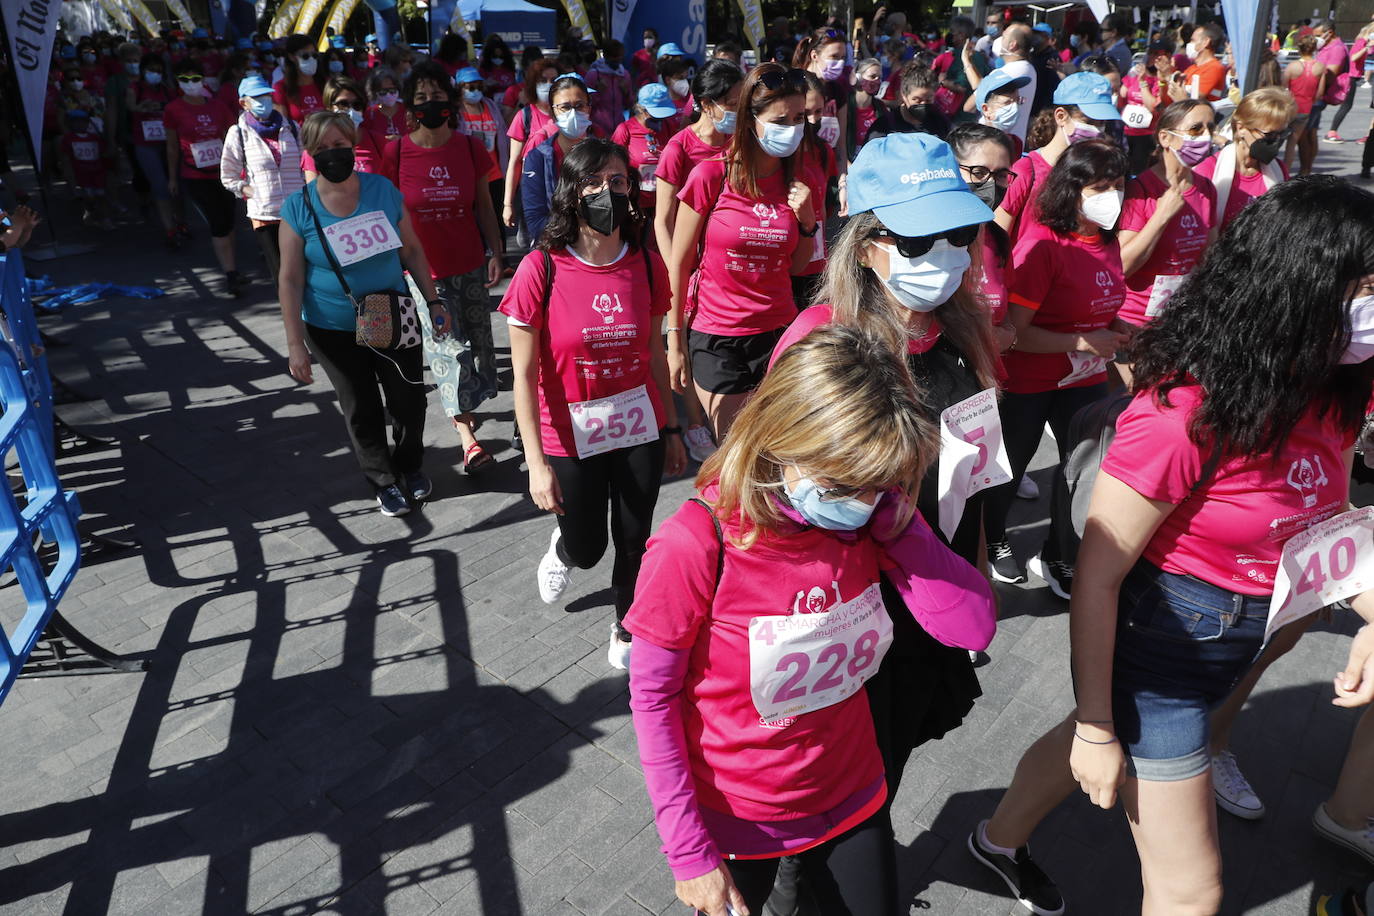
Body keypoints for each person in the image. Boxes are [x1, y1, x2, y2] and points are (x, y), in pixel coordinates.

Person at [969, 175, 1374, 916]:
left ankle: (996, 840)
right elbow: (1097, 575)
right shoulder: (1182, 412)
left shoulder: (1338, 385)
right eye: (1366, 287)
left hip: (1250, 633)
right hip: (1167, 651)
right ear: (1302, 287)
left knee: (1090, 745)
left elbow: (1333, 516)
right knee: (1192, 891)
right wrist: (1096, 721)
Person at [626, 323, 940, 916]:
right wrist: (689, 854)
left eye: (880, 486)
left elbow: (971, 622)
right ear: (783, 439)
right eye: (847, 483)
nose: (864, 502)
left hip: (851, 790)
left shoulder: (868, 519)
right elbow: (651, 697)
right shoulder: (695, 543)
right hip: (741, 818)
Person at [768, 132, 999, 808]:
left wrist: (973, 576)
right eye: (919, 241)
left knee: (883, 770)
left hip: (928, 599)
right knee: (823, 787)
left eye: (958, 233)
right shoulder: (819, 342)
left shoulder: (967, 336)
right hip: (844, 612)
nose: (947, 256)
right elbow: (771, 497)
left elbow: (974, 484)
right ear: (865, 246)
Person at [501, 138, 686, 668]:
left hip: (637, 427)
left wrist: (670, 428)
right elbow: (521, 376)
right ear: (572, 191)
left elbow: (654, 355)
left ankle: (625, 627)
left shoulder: (646, 266)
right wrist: (536, 464)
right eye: (595, 181)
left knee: (634, 539)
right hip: (570, 434)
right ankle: (564, 548)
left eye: (620, 180)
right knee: (589, 548)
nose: (608, 190)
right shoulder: (543, 268)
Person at [277, 111, 446, 518]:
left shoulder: (382, 191)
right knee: (360, 406)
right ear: (309, 154)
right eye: (323, 149)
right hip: (332, 327)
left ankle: (410, 465)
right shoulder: (298, 207)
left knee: (408, 399)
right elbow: (289, 280)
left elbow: (412, 250)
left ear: (353, 145)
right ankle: (382, 480)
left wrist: (434, 300)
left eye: (340, 146)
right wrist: (295, 345)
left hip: (394, 315)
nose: (333, 155)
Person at [983, 138, 1129, 591]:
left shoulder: (1106, 241)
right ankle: (993, 540)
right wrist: (1084, 341)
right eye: (1101, 186)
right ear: (1072, 188)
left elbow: (1100, 307)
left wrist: (1126, 332)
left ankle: (1059, 555)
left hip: (1082, 380)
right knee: (1010, 468)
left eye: (1119, 185)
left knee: (1082, 471)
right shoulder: (1042, 246)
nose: (1113, 195)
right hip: (1030, 379)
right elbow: (1015, 333)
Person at [666, 63, 815, 439]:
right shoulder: (709, 176)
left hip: (779, 332)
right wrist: (674, 342)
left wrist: (808, 222)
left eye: (799, 117)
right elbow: (679, 264)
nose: (792, 129)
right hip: (717, 338)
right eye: (780, 120)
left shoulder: (801, 184)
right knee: (736, 453)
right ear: (750, 121)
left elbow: (797, 268)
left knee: (778, 453)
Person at [383, 61, 505, 473]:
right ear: (409, 105)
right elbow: (386, 214)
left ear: (450, 101)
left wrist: (496, 252)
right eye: (421, 98)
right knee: (448, 350)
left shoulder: (470, 148)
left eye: (437, 96)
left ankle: (468, 409)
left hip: (469, 263)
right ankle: (468, 440)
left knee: (478, 348)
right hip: (423, 275)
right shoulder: (396, 152)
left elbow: (484, 205)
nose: (430, 104)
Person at [653, 58, 744, 464]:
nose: (737, 111)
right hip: (681, 263)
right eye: (730, 102)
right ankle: (691, 422)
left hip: (724, 269)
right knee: (681, 342)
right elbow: (662, 218)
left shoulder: (741, 142)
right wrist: (678, 270)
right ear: (705, 103)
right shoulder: (679, 148)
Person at [1115, 100, 1217, 357]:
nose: (1205, 136)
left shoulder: (1206, 189)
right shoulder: (1141, 190)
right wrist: (1161, 216)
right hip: (1134, 327)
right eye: (1195, 129)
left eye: (1210, 128)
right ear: (1165, 138)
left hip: (1179, 324)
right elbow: (1122, 266)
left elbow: (1209, 259)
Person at [998, 71, 1123, 239]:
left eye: (1102, 123)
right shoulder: (1025, 171)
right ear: (1061, 116)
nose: (1097, 130)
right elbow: (998, 239)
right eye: (1089, 122)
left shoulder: (1097, 174)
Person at [163, 59, 242, 297]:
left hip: (223, 173)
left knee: (228, 220)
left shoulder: (217, 107)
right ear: (178, 82)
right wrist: (172, 178)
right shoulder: (173, 109)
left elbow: (232, 138)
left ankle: (233, 269)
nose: (191, 84)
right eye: (185, 80)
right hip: (194, 175)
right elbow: (172, 147)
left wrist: (240, 169)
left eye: (195, 79)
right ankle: (229, 274)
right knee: (217, 221)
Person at [220, 73, 304, 285]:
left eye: (267, 96)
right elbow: (228, 176)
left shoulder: (292, 128)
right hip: (265, 214)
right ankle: (291, 316)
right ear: (244, 102)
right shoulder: (238, 133)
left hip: (298, 211)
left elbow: (306, 164)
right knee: (282, 275)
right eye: (257, 98)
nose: (264, 101)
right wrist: (250, 192)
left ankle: (309, 316)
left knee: (305, 269)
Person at [947, 123, 1017, 351]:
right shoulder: (927, 239)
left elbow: (1005, 315)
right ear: (952, 169)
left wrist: (1008, 336)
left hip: (990, 377)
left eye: (1001, 175)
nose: (990, 184)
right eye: (979, 172)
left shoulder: (997, 240)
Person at [1194, 87, 1295, 229]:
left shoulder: (1278, 169)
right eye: (1269, 134)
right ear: (1241, 128)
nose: (1276, 140)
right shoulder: (1209, 170)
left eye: (1282, 134)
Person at [521, 74, 604, 244]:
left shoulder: (606, 154)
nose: (573, 113)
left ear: (589, 108)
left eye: (579, 105)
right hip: (557, 249)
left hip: (601, 248)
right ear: (553, 111)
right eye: (565, 107)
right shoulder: (538, 158)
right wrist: (580, 235)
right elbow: (535, 222)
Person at [129, 53, 185, 248]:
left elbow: (177, 109)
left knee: (176, 184)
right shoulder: (135, 88)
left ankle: (180, 222)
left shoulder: (167, 90)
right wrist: (141, 107)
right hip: (145, 144)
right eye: (152, 70)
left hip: (168, 142)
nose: (155, 74)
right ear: (144, 71)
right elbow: (130, 107)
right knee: (160, 186)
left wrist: (163, 107)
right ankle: (169, 229)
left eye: (159, 71)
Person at [501, 57, 559, 230]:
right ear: (533, 84)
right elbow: (514, 162)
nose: (549, 85)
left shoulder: (570, 117)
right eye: (543, 81)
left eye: (554, 81)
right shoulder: (525, 116)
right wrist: (508, 205)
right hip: (533, 195)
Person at [612, 84, 678, 230]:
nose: (661, 119)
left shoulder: (668, 126)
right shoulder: (625, 130)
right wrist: (626, 201)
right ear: (642, 109)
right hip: (636, 202)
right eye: (656, 114)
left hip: (663, 201)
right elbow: (614, 167)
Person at [795, 27, 853, 186]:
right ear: (815, 55)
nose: (839, 63)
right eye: (834, 56)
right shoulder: (794, 86)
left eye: (843, 58)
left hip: (828, 173)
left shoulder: (838, 91)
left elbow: (841, 145)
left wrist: (843, 184)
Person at [453, 65, 509, 226]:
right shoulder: (455, 110)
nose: (475, 90)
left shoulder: (490, 105)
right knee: (473, 220)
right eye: (470, 87)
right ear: (460, 88)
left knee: (496, 219)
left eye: (479, 86)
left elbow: (503, 133)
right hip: (467, 174)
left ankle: (499, 250)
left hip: (494, 173)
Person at [1121, 44, 1172, 175]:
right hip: (1126, 132)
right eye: (1150, 53)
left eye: (1157, 54)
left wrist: (1143, 82)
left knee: (1138, 172)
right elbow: (1122, 97)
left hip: (1145, 135)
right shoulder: (1133, 76)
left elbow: (1153, 107)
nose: (1152, 57)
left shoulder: (1160, 82)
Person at [866, 63, 951, 141]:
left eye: (928, 100)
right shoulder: (885, 126)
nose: (923, 104)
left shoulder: (940, 123)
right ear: (904, 95)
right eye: (917, 100)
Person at [58, 109, 113, 229]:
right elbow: (66, 159)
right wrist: (69, 176)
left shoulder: (95, 138)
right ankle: (89, 212)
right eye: (76, 122)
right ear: (70, 124)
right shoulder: (68, 139)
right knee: (89, 196)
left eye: (83, 121)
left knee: (101, 195)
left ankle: (106, 219)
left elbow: (103, 154)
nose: (80, 124)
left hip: (97, 172)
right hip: (82, 174)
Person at [1283, 34, 1327, 175]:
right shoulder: (1320, 67)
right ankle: (1286, 171)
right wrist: (1311, 100)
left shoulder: (1292, 66)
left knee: (1279, 138)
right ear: (1314, 48)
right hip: (1306, 107)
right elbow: (1320, 92)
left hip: (1290, 106)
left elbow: (1283, 88)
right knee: (1293, 140)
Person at [1326, 21, 1372, 142]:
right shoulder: (1362, 42)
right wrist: (1367, 48)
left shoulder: (1364, 42)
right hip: (1350, 76)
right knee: (1346, 105)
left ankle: (1332, 131)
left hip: (1354, 76)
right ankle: (1332, 132)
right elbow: (1353, 57)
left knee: (1347, 105)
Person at [972, 68, 1030, 156]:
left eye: (1017, 101)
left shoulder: (1015, 143)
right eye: (1007, 103)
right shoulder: (972, 144)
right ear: (986, 109)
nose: (1015, 107)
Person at [1168, 22, 1228, 104]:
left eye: (1193, 40)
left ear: (1206, 42)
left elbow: (1195, 101)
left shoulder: (1215, 68)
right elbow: (1169, 99)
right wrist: (1165, 78)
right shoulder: (1191, 68)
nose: (1189, 44)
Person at [1311, 20, 1349, 141]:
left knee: (1307, 132)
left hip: (1319, 95)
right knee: (1309, 133)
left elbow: (1331, 75)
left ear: (1330, 33)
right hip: (1315, 94)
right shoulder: (1325, 47)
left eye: (1317, 35)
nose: (1315, 39)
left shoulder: (1337, 49)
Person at [273, 34, 325, 123]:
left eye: (314, 55)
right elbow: (283, 126)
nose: (311, 59)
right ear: (291, 57)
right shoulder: (281, 87)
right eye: (305, 56)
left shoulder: (325, 84)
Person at [585, 40, 632, 137]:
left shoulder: (624, 75)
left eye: (620, 56)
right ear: (606, 56)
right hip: (598, 129)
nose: (618, 60)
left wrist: (626, 92)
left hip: (618, 129)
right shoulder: (593, 75)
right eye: (614, 56)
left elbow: (629, 104)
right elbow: (585, 105)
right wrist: (599, 93)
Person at [848, 57, 885, 153]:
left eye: (879, 78)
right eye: (872, 76)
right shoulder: (845, 105)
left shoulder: (880, 107)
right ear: (858, 78)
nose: (877, 81)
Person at [363, 67, 405, 148]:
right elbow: (365, 140)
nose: (388, 95)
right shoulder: (369, 114)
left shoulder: (408, 111)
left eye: (392, 90)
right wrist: (383, 140)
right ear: (375, 92)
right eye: (383, 92)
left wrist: (402, 140)